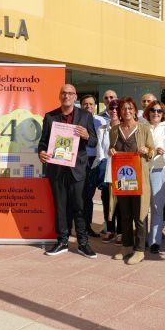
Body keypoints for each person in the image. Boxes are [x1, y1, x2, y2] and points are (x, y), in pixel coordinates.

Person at [38, 84, 98, 258]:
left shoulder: (86, 116)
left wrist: (86, 135)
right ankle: (62, 241)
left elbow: (93, 141)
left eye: (70, 93)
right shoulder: (50, 116)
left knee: (80, 207)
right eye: (63, 93)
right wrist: (41, 152)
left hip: (78, 169)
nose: (67, 96)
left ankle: (83, 243)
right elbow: (43, 141)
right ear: (60, 96)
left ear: (75, 97)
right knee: (60, 207)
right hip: (57, 169)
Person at [108, 97, 154, 264]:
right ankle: (127, 245)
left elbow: (152, 151)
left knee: (140, 214)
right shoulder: (114, 130)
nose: (126, 111)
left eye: (130, 108)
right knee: (125, 214)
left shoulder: (144, 129)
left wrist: (146, 149)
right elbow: (111, 149)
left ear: (135, 111)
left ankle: (140, 249)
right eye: (123, 109)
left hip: (139, 179)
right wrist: (111, 151)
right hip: (122, 179)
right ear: (119, 112)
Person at [144, 100, 165, 254]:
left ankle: (154, 241)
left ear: (163, 114)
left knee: (156, 206)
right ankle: (142, 238)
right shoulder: (142, 126)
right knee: (142, 206)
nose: (156, 113)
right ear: (148, 112)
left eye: (159, 111)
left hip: (159, 169)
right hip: (142, 169)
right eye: (153, 110)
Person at [93, 99, 122, 243]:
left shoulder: (126, 128)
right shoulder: (102, 128)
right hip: (107, 169)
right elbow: (100, 152)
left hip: (122, 170)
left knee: (121, 203)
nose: (114, 111)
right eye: (111, 108)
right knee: (106, 201)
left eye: (117, 108)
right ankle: (110, 229)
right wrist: (103, 165)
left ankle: (121, 231)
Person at [81, 94, 104, 237]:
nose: (88, 106)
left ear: (95, 106)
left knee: (89, 195)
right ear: (81, 105)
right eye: (85, 104)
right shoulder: (76, 120)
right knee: (78, 195)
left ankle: (87, 226)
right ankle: (78, 226)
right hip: (79, 160)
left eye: (91, 104)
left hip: (94, 161)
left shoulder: (100, 121)